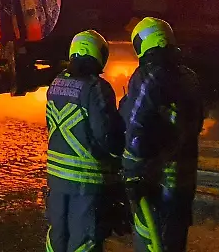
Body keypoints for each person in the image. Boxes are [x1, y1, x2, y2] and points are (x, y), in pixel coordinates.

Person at [119, 17, 203, 252]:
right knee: (174, 242)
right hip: (184, 181)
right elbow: (195, 124)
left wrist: (133, 171)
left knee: (152, 242)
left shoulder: (149, 76)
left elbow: (136, 125)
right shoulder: (189, 76)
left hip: (155, 181)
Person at [45, 29, 125, 252]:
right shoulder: (96, 88)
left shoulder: (56, 83)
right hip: (86, 182)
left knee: (57, 236)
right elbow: (106, 135)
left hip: (57, 180)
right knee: (84, 241)